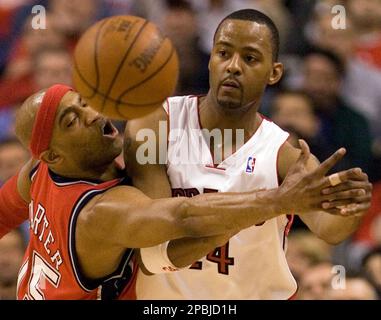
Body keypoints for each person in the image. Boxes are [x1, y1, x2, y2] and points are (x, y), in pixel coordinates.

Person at [0, 85, 365, 300]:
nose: (92, 115)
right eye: (72, 121)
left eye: (82, 102)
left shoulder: (38, 171)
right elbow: (183, 217)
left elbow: (3, 211)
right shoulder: (100, 212)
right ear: (54, 154)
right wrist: (281, 201)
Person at [125, 9, 372, 299]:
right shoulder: (157, 124)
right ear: (210, 59)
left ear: (274, 72)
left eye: (250, 58)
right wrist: (272, 204)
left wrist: (349, 206)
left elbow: (330, 229)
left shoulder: (285, 155)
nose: (233, 66)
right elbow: (155, 255)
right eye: (223, 53)